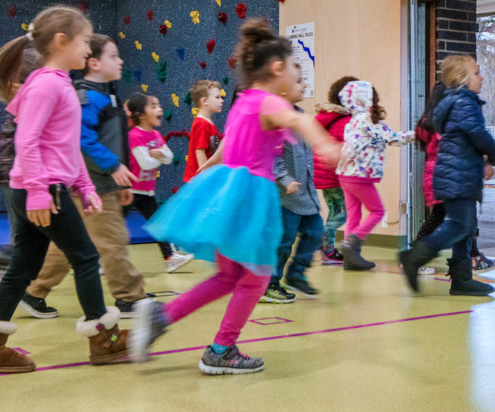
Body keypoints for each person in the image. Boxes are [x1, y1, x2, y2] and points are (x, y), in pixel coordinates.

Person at [130, 19, 341, 374]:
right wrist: (325, 144)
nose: (296, 75)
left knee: (230, 276)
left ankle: (161, 317)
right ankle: (221, 348)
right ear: (277, 69)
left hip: (229, 190)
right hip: (251, 197)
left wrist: (203, 176)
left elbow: (227, 150)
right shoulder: (268, 102)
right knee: (256, 277)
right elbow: (298, 121)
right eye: (294, 68)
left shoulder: (244, 102)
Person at [0, 7, 130, 373]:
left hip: (43, 184)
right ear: (61, 42)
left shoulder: (57, 82)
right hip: (40, 187)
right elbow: (28, 139)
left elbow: (65, 145)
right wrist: (40, 190)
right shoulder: (47, 83)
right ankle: (105, 340)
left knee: (24, 263)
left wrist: (84, 184)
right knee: (85, 257)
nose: (89, 50)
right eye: (85, 41)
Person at [21, 35, 146, 318]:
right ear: (94, 63)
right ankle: (129, 298)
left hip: (103, 181)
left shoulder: (108, 96)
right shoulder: (87, 97)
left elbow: (114, 139)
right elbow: (82, 139)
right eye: (114, 56)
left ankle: (34, 292)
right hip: (93, 183)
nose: (121, 61)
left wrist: (119, 176)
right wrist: (114, 167)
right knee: (113, 240)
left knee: (69, 244)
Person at [397, 55, 495, 297]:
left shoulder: (455, 102)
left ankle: (462, 278)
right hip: (458, 174)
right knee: (459, 225)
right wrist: (494, 154)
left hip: (459, 172)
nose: (481, 77)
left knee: (464, 228)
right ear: (460, 79)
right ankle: (415, 256)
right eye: (476, 73)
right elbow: (477, 133)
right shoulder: (465, 102)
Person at [334, 81, 413, 271]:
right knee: (377, 211)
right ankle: (351, 246)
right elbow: (393, 138)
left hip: (345, 174)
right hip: (359, 175)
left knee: (354, 215)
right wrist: (415, 134)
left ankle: (350, 259)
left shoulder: (352, 120)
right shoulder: (368, 119)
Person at [0, 43, 40, 281]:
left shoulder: (25, 97)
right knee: (27, 232)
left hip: (13, 171)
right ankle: (6, 267)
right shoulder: (29, 98)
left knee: (26, 231)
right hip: (16, 173)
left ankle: (11, 269)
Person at [124, 93, 194, 273]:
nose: (160, 109)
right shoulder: (135, 135)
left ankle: (170, 258)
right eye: (153, 106)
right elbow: (146, 163)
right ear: (140, 115)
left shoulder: (155, 134)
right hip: (130, 191)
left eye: (159, 105)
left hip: (146, 191)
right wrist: (158, 156)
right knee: (114, 227)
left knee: (158, 223)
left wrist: (160, 155)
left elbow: (169, 158)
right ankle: (99, 259)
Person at [271, 98, 324, 299]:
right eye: (298, 80)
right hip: (287, 196)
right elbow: (273, 157)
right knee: (285, 241)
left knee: (316, 232)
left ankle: (296, 273)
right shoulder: (276, 120)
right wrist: (285, 180)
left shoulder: (301, 115)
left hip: (306, 194)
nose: (302, 85)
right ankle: (272, 282)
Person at [313, 76, 355, 262]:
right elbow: (349, 148)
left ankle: (326, 247)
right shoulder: (345, 121)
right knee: (343, 213)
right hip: (335, 175)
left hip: (323, 174)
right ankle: (325, 247)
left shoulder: (326, 116)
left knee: (334, 211)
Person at [182, 79, 225, 182]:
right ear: (204, 101)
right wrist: (205, 177)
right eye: (217, 97)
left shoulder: (208, 123)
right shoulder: (202, 124)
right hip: (198, 180)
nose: (221, 100)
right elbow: (200, 152)